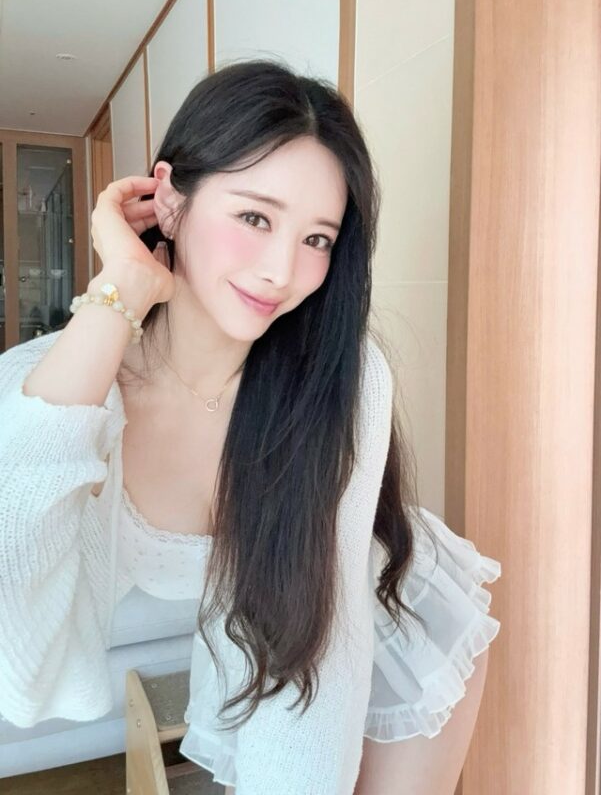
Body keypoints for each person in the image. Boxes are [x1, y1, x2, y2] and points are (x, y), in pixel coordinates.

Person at [0, 59, 502, 794]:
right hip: (282, 630)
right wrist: (119, 290)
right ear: (170, 202)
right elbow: (15, 640)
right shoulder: (61, 384)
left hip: (385, 605)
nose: (280, 271)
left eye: (317, 239)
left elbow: (319, 641)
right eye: (254, 218)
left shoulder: (343, 376)